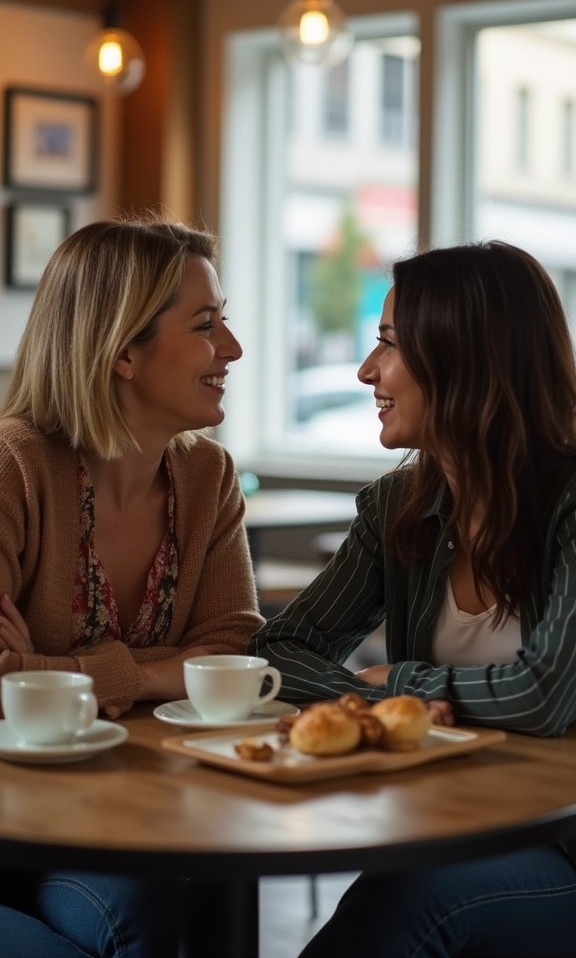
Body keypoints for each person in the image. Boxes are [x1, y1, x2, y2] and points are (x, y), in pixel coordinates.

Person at [250, 240, 576, 957]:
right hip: (452, 823)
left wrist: (398, 683)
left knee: (410, 904)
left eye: (388, 345)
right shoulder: (399, 505)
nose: (367, 371)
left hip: (561, 848)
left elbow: (547, 696)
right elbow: (279, 652)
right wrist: (377, 709)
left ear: (464, 358)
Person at [0, 213, 263, 958]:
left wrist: (40, 672)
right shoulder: (13, 466)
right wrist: (153, 671)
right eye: (206, 326)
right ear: (122, 353)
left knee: (146, 917)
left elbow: (232, 656)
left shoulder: (208, 477)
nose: (233, 349)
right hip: (11, 821)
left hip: (107, 824)